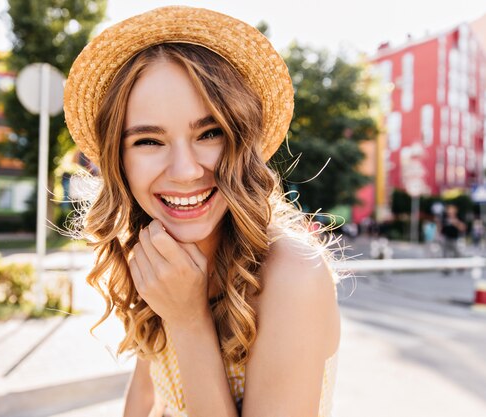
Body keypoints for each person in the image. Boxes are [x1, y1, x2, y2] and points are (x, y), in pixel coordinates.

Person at [63, 6, 341, 417]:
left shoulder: (292, 273)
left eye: (209, 133)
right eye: (149, 141)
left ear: (241, 140)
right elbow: (144, 394)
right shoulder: (160, 253)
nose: (186, 170)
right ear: (118, 160)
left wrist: (188, 320)